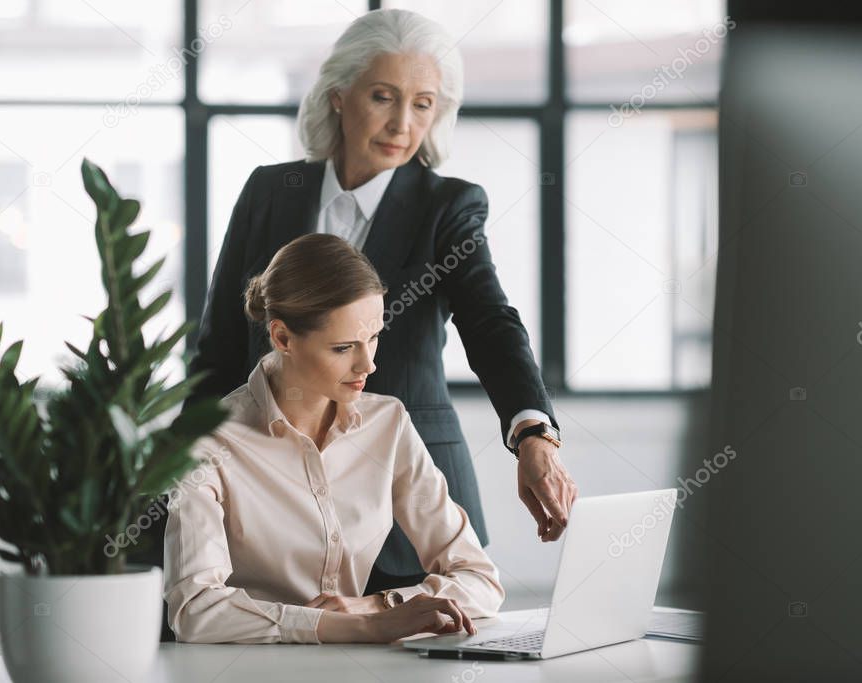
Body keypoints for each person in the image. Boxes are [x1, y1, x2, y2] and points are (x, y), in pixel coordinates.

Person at [184, 8, 577, 600]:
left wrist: (533, 433)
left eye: (423, 103)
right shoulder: (270, 191)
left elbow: (492, 324)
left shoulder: (448, 206)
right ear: (338, 96)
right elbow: (218, 348)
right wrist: (178, 470)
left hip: (403, 499)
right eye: (383, 96)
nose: (402, 123)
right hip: (266, 490)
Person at [164, 234, 504, 643]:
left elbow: (481, 581)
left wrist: (377, 606)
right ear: (283, 338)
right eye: (343, 348)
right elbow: (195, 611)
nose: (369, 364)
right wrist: (360, 627)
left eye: (374, 337)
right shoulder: (208, 443)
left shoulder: (388, 423)